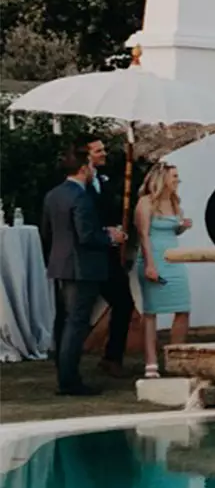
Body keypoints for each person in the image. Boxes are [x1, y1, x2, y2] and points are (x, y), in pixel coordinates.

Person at [40, 145, 125, 395]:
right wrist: (111, 238)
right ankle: (69, 381)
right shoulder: (81, 197)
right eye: (89, 165)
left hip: (61, 264)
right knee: (77, 324)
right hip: (83, 267)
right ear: (82, 168)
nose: (92, 170)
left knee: (66, 321)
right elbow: (87, 236)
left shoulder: (53, 195)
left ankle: (64, 374)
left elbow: (48, 233)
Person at [73, 139, 135, 375]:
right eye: (99, 150)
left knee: (124, 302)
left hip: (107, 254)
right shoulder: (77, 187)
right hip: (86, 255)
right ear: (86, 156)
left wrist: (117, 231)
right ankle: (68, 360)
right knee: (77, 310)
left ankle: (112, 357)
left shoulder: (104, 180)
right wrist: (104, 232)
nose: (104, 153)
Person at [131, 163, 194, 378]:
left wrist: (182, 227)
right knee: (151, 311)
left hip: (174, 259)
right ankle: (151, 362)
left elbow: (172, 230)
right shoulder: (146, 203)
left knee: (183, 307)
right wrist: (150, 264)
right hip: (154, 257)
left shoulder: (175, 203)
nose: (178, 180)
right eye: (174, 176)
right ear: (162, 178)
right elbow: (144, 234)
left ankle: (176, 357)